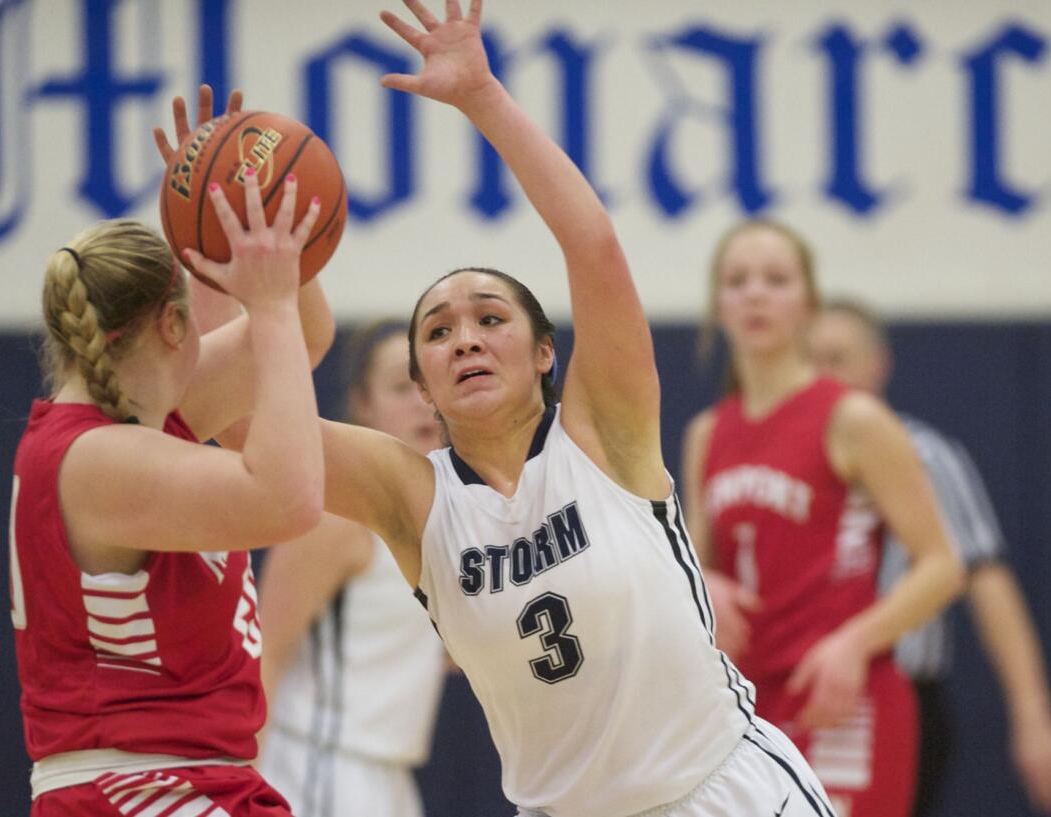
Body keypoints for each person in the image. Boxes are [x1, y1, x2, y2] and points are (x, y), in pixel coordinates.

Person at [315, 3, 840, 815]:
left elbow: (591, 243)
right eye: (439, 331)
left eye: (491, 319)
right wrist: (264, 288)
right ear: (419, 384)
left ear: (545, 352)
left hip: (719, 790)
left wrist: (485, 98)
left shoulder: (600, 431)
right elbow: (247, 429)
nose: (465, 340)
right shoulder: (412, 496)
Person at [9, 89, 330, 815]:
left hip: (191, 778)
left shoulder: (148, 419)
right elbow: (291, 498)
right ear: (175, 327)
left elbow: (301, 345)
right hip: (137, 784)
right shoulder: (93, 459)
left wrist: (245, 229)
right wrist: (267, 302)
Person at [680, 220, 965, 817]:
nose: (755, 293)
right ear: (718, 306)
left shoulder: (852, 418)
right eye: (737, 281)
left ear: (808, 303)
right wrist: (702, 583)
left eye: (776, 280)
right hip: (745, 705)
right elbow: (692, 566)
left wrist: (855, 644)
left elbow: (943, 565)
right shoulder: (707, 434)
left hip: (842, 699)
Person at [807, 299, 1051, 816]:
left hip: (898, 689)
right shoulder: (773, 452)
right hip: (796, 692)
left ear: (877, 364)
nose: (824, 376)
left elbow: (984, 577)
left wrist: (1033, 715)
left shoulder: (923, 454)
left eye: (837, 358)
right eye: (811, 360)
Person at [250, 322, 447, 817]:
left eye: (428, 387)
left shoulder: (452, 517)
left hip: (392, 776)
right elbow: (264, 655)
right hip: (318, 766)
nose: (421, 403)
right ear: (362, 405)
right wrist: (242, 784)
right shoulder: (336, 519)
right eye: (401, 388)